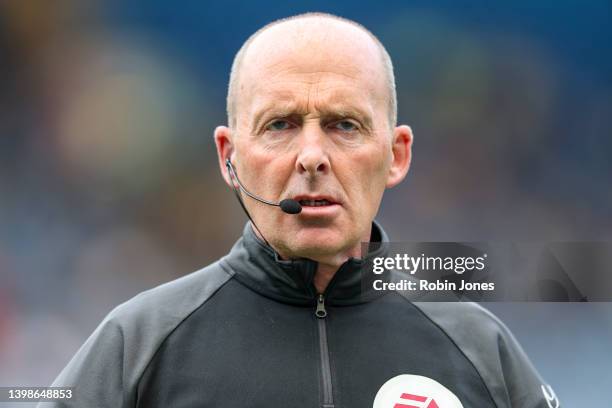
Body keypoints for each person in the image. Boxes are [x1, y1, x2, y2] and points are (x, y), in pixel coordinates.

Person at [41, 12, 559, 408]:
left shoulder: (480, 348)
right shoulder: (138, 344)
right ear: (230, 158)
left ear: (396, 155)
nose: (312, 157)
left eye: (344, 125)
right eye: (280, 124)